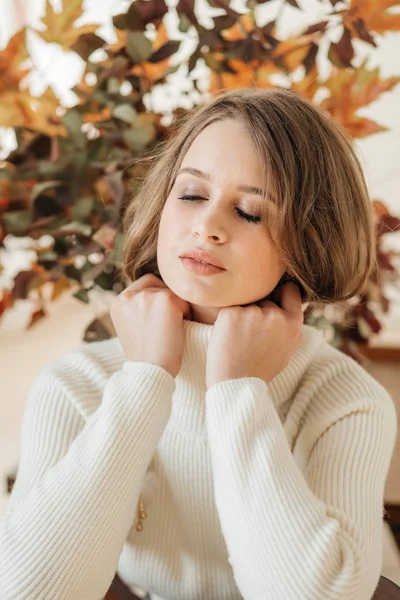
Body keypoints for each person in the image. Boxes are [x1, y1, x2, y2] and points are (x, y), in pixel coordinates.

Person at [0, 87, 397, 600]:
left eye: (250, 212)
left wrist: (238, 391)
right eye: (191, 194)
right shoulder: (76, 386)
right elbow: (28, 592)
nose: (207, 226)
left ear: (311, 242)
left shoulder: (347, 402)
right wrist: (145, 381)